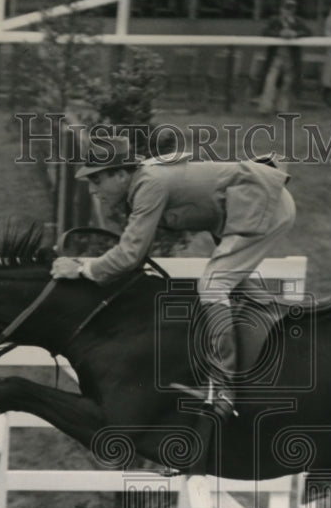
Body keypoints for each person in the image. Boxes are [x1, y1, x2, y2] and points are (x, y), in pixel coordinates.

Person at [50, 137, 296, 419]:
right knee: (231, 286)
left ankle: (223, 387)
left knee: (213, 286)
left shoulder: (148, 184)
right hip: (251, 209)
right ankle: (282, 336)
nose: (93, 190)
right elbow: (135, 253)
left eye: (96, 181)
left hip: (265, 208)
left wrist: (82, 269)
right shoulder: (143, 180)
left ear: (120, 175)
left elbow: (130, 255)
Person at [257, 0, 313, 114]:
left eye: (291, 9)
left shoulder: (298, 21)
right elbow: (265, 32)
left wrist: (295, 34)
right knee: (270, 81)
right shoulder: (274, 20)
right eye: (286, 8)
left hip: (291, 58)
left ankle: (281, 108)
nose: (288, 11)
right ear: (281, 9)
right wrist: (279, 34)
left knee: (287, 83)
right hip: (276, 57)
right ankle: (265, 108)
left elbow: (308, 32)